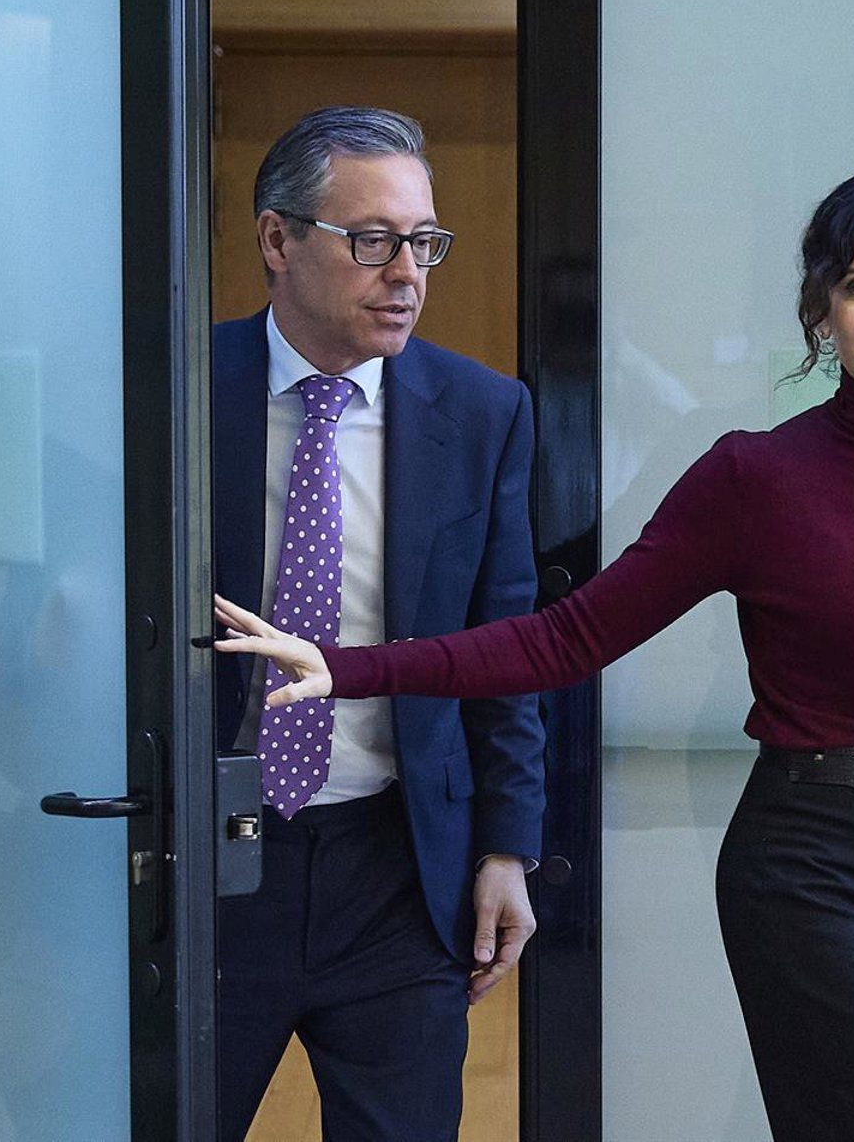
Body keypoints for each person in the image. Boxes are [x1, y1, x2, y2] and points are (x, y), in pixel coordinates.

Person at [215, 167, 854, 1141]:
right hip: (807, 867)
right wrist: (349, 667)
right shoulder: (756, 476)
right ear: (823, 312)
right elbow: (564, 638)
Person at [211, 106, 545, 1142]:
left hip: (397, 865)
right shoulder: (178, 391)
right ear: (278, 240)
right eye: (372, 241)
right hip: (217, 858)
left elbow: (504, 649)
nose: (407, 274)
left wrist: (508, 849)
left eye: (424, 242)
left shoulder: (482, 413)